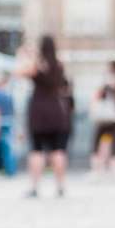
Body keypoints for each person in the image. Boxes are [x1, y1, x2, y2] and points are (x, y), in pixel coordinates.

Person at [15, 36, 71, 198]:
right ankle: (60, 186)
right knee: (58, 150)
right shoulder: (59, 64)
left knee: (37, 150)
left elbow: (19, 72)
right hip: (57, 111)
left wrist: (25, 55)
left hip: (39, 111)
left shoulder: (37, 65)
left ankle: (34, 186)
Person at [90, 61, 115, 174]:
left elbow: (97, 96)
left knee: (100, 141)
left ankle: (98, 168)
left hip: (105, 117)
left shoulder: (106, 80)